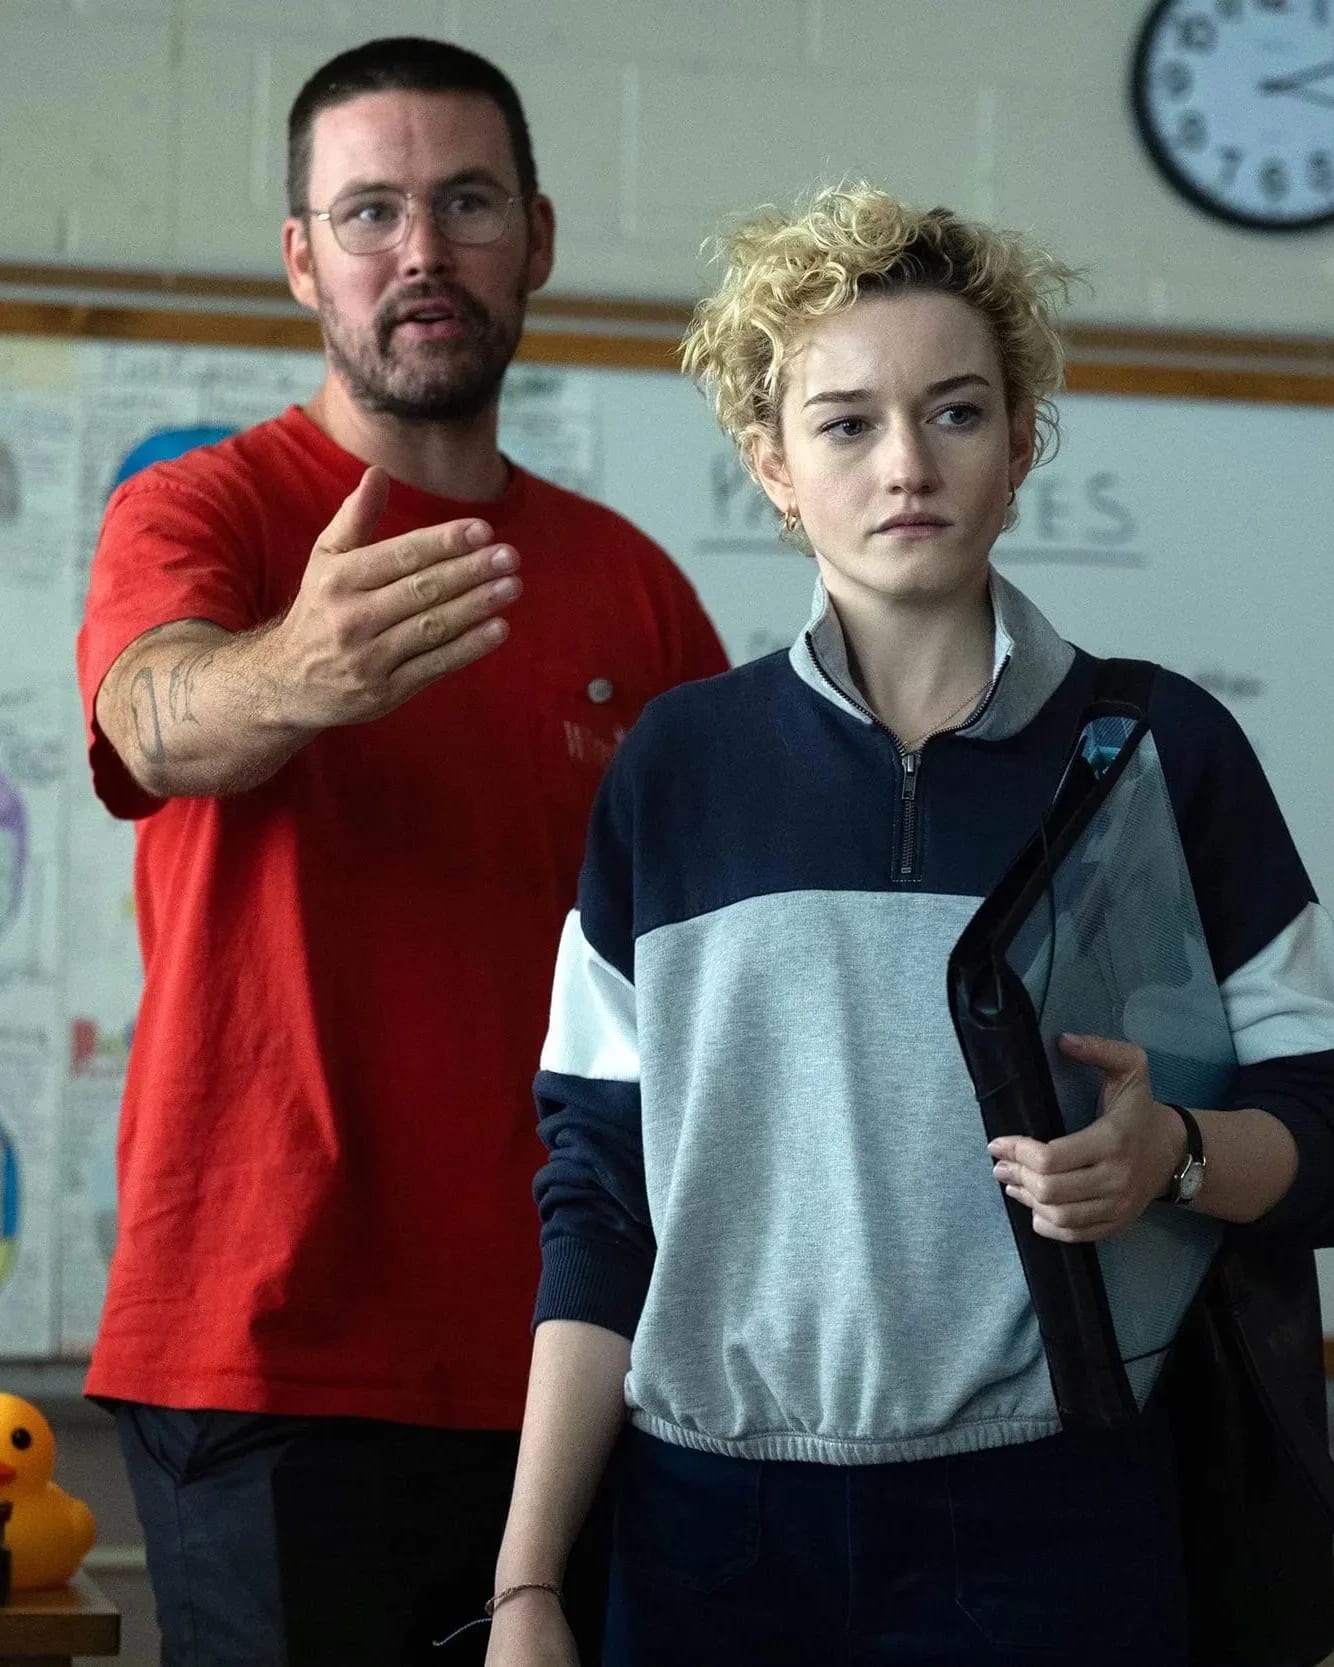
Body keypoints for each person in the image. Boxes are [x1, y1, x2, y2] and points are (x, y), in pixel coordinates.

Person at [485, 185, 1334, 1667]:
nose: (903, 466)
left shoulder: (1161, 751)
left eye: (952, 413)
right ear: (771, 467)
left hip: (1057, 1520)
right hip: (709, 1529)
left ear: (1020, 448)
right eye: (844, 424)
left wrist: (1176, 1157)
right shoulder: (672, 774)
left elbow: (1320, 1114)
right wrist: (530, 1584)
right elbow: (598, 1196)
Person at [75, 36, 726, 1667]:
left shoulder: (633, 590)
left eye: (465, 203)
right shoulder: (204, 512)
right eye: (368, 211)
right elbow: (156, 722)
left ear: (539, 239)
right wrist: (294, 672)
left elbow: (721, 974)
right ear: (303, 258)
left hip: (585, 1354)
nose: (420, 250)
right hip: (271, 1351)